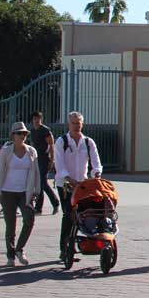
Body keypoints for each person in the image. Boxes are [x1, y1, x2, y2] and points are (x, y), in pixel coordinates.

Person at [53, 111, 103, 264]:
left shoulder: (88, 142)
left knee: (86, 214)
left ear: (82, 124)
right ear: (69, 125)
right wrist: (69, 178)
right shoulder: (62, 142)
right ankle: (64, 249)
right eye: (73, 123)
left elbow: (96, 163)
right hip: (66, 185)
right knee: (69, 215)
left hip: (83, 185)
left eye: (78, 123)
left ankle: (86, 243)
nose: (76, 126)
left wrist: (96, 175)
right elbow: (59, 164)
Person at [0, 123, 40, 266]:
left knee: (29, 220)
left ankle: (19, 249)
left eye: (24, 134)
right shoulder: (6, 151)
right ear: (13, 136)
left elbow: (35, 172)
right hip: (7, 191)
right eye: (19, 133)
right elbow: (0, 171)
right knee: (11, 226)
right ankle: (11, 256)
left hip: (25, 192)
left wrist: (36, 190)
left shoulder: (31, 151)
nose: (22, 136)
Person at [29, 111, 59, 215]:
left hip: (45, 159)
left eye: (38, 118)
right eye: (34, 119)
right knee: (39, 184)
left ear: (41, 119)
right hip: (36, 159)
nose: (36, 120)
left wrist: (52, 160)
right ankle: (38, 208)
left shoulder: (45, 130)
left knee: (42, 183)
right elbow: (32, 145)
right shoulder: (32, 130)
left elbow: (51, 145)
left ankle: (55, 203)